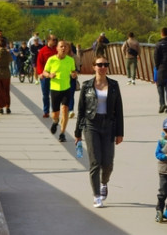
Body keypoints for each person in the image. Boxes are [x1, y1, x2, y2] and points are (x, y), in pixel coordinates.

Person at [75, 56, 124, 208]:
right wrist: (77, 133)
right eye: (99, 64)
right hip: (91, 125)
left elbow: (119, 110)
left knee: (108, 163)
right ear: (94, 67)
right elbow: (81, 110)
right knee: (95, 162)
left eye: (105, 64)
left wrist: (119, 132)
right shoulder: (87, 85)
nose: (102, 67)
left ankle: (104, 183)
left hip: (109, 125)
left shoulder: (114, 85)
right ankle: (97, 195)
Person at [41, 40, 77, 143]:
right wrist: (49, 75)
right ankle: (55, 122)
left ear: (68, 49)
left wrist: (73, 74)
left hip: (66, 88)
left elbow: (73, 71)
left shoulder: (70, 60)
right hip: (55, 89)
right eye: (61, 46)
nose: (63, 48)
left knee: (65, 110)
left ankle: (62, 133)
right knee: (55, 114)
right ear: (57, 48)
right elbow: (44, 72)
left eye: (65, 46)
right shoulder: (51, 60)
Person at [35, 36, 57, 118]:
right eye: (53, 40)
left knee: (54, 94)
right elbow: (39, 63)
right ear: (48, 40)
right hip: (45, 75)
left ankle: (54, 111)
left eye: (56, 40)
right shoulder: (42, 50)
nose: (55, 41)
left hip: (54, 76)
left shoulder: (57, 50)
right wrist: (40, 73)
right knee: (45, 95)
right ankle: (46, 111)